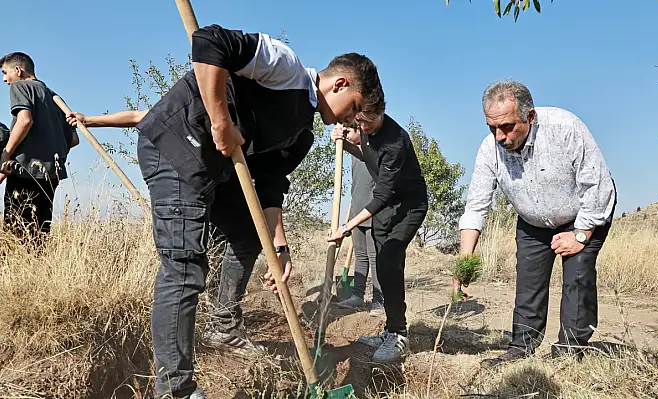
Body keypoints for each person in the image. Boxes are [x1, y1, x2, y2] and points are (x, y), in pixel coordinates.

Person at [67, 23, 383, 399]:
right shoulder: (287, 68)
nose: (351, 120)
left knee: (248, 237)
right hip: (175, 147)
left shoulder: (301, 133)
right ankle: (176, 390)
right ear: (341, 84)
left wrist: (278, 249)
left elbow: (267, 183)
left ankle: (223, 326)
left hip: (210, 170)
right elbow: (210, 41)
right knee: (185, 265)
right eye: (355, 109)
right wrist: (220, 122)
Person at [457, 79, 616, 369]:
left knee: (577, 279)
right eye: (492, 128)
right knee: (529, 282)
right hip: (532, 220)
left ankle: (570, 351)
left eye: (507, 127)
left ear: (529, 116)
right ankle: (521, 347)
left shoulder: (565, 127)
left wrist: (579, 235)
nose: (500, 136)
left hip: (583, 213)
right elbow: (476, 205)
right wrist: (464, 259)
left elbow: (598, 187)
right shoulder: (489, 149)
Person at [328, 107, 428, 364]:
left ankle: (399, 335)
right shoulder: (365, 129)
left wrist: (348, 226)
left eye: (368, 123)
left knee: (388, 260)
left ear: (381, 112)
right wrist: (342, 141)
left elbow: (382, 194)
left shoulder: (395, 141)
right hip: (387, 207)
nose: (364, 127)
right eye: (359, 123)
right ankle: (391, 329)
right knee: (384, 268)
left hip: (408, 206)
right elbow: (366, 156)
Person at [0, 52, 79, 242]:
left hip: (25, 171)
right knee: (39, 233)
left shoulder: (21, 86)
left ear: (18, 70)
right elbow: (74, 139)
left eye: (5, 73)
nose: (4, 79)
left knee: (17, 234)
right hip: (51, 175)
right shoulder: (53, 96)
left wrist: (6, 154)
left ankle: (20, 271)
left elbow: (24, 121)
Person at [335, 154, 384, 314]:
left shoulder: (373, 150)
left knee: (375, 257)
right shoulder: (353, 155)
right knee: (360, 255)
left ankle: (379, 300)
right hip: (357, 211)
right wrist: (349, 219)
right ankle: (357, 295)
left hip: (373, 212)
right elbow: (358, 186)